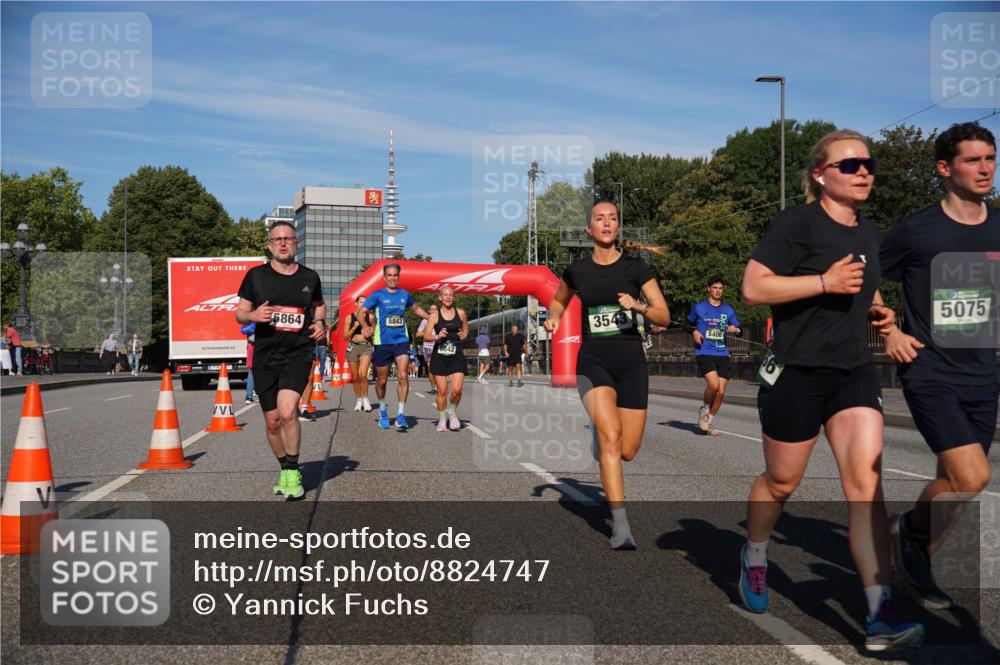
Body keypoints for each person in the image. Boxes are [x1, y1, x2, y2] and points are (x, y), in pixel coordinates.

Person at [738, 129, 923, 651]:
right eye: (850, 165)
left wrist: (884, 316)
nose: (864, 171)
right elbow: (754, 288)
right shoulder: (795, 224)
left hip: (852, 371)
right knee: (781, 482)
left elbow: (863, 285)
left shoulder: (870, 233)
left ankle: (879, 611)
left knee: (866, 485)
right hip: (796, 371)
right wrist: (821, 282)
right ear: (821, 175)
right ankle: (754, 552)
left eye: (869, 163)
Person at [880, 122, 999, 611]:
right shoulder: (916, 230)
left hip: (984, 374)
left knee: (956, 485)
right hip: (929, 371)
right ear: (945, 169)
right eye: (973, 160)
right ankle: (910, 530)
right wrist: (890, 330)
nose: (986, 168)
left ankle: (918, 557)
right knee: (971, 478)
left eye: (990, 158)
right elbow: (863, 270)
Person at [545, 200, 669, 549]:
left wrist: (639, 306)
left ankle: (602, 438)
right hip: (593, 360)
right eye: (599, 218)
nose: (607, 223)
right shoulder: (578, 271)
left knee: (628, 449)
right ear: (589, 229)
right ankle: (621, 524)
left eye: (612, 218)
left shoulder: (636, 267)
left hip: (631, 362)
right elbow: (558, 300)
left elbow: (664, 316)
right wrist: (553, 317)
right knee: (612, 438)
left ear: (618, 227)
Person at [235, 220, 326, 500]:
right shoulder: (255, 277)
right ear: (270, 245)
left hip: (298, 353)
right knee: (273, 422)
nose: (283, 242)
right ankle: (285, 468)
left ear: (296, 243)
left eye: (288, 238)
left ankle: (293, 470)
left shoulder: (310, 277)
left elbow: (319, 306)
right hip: (265, 357)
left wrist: (321, 323)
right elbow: (240, 313)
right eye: (278, 239)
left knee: (288, 412)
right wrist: (253, 317)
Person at [358, 263, 431, 431]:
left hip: (401, 340)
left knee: (403, 376)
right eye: (389, 275)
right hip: (382, 342)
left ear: (399, 277)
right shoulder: (377, 295)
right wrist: (364, 326)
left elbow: (416, 309)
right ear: (384, 278)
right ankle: (383, 411)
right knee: (382, 380)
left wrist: (432, 319)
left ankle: (400, 414)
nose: (392, 278)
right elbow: (360, 312)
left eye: (395, 275)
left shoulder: (404, 294)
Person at [685, 276, 742, 436]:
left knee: (721, 392)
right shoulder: (699, 308)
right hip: (704, 351)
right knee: (714, 385)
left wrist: (735, 330)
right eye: (715, 287)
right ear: (709, 289)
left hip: (722, 353)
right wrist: (694, 331)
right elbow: (686, 324)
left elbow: (739, 329)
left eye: (720, 288)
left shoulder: (728, 310)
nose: (717, 291)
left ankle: (708, 421)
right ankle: (704, 409)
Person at [425, 286, 469, 431]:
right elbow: (426, 336)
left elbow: (465, 328)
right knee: (442, 392)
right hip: (440, 355)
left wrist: (464, 334)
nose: (448, 297)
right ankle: (442, 419)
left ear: (454, 297)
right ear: (440, 297)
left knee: (457, 389)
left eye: (451, 295)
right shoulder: (434, 316)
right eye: (445, 295)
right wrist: (438, 336)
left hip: (456, 354)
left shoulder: (461, 313)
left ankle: (452, 411)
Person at [344, 294, 374, 412]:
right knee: (355, 377)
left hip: (366, 347)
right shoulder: (349, 318)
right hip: (353, 347)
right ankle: (359, 400)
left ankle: (366, 399)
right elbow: (345, 336)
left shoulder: (370, 317)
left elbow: (375, 331)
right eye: (361, 302)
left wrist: (370, 332)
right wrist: (353, 327)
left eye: (365, 302)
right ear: (356, 304)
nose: (363, 304)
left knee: (363, 375)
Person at [417, 304, 438, 393]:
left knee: (439, 368)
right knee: (431, 368)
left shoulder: (440, 320)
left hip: (439, 346)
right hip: (428, 346)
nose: (434, 311)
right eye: (432, 309)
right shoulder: (425, 321)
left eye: (435, 309)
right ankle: (434, 388)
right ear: (428, 311)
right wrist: (427, 332)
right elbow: (417, 334)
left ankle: (440, 386)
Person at [503, 323, 526, 387]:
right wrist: (505, 352)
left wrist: (526, 352)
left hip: (518, 354)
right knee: (510, 369)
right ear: (512, 330)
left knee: (518, 367)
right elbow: (505, 345)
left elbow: (524, 345)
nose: (515, 331)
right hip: (510, 355)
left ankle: (519, 382)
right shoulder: (508, 336)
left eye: (516, 329)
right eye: (514, 329)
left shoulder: (520, 336)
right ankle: (510, 382)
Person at [241, 322, 256, 404]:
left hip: (252, 346)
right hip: (257, 346)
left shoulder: (251, 317)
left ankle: (249, 396)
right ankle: (250, 395)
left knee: (252, 371)